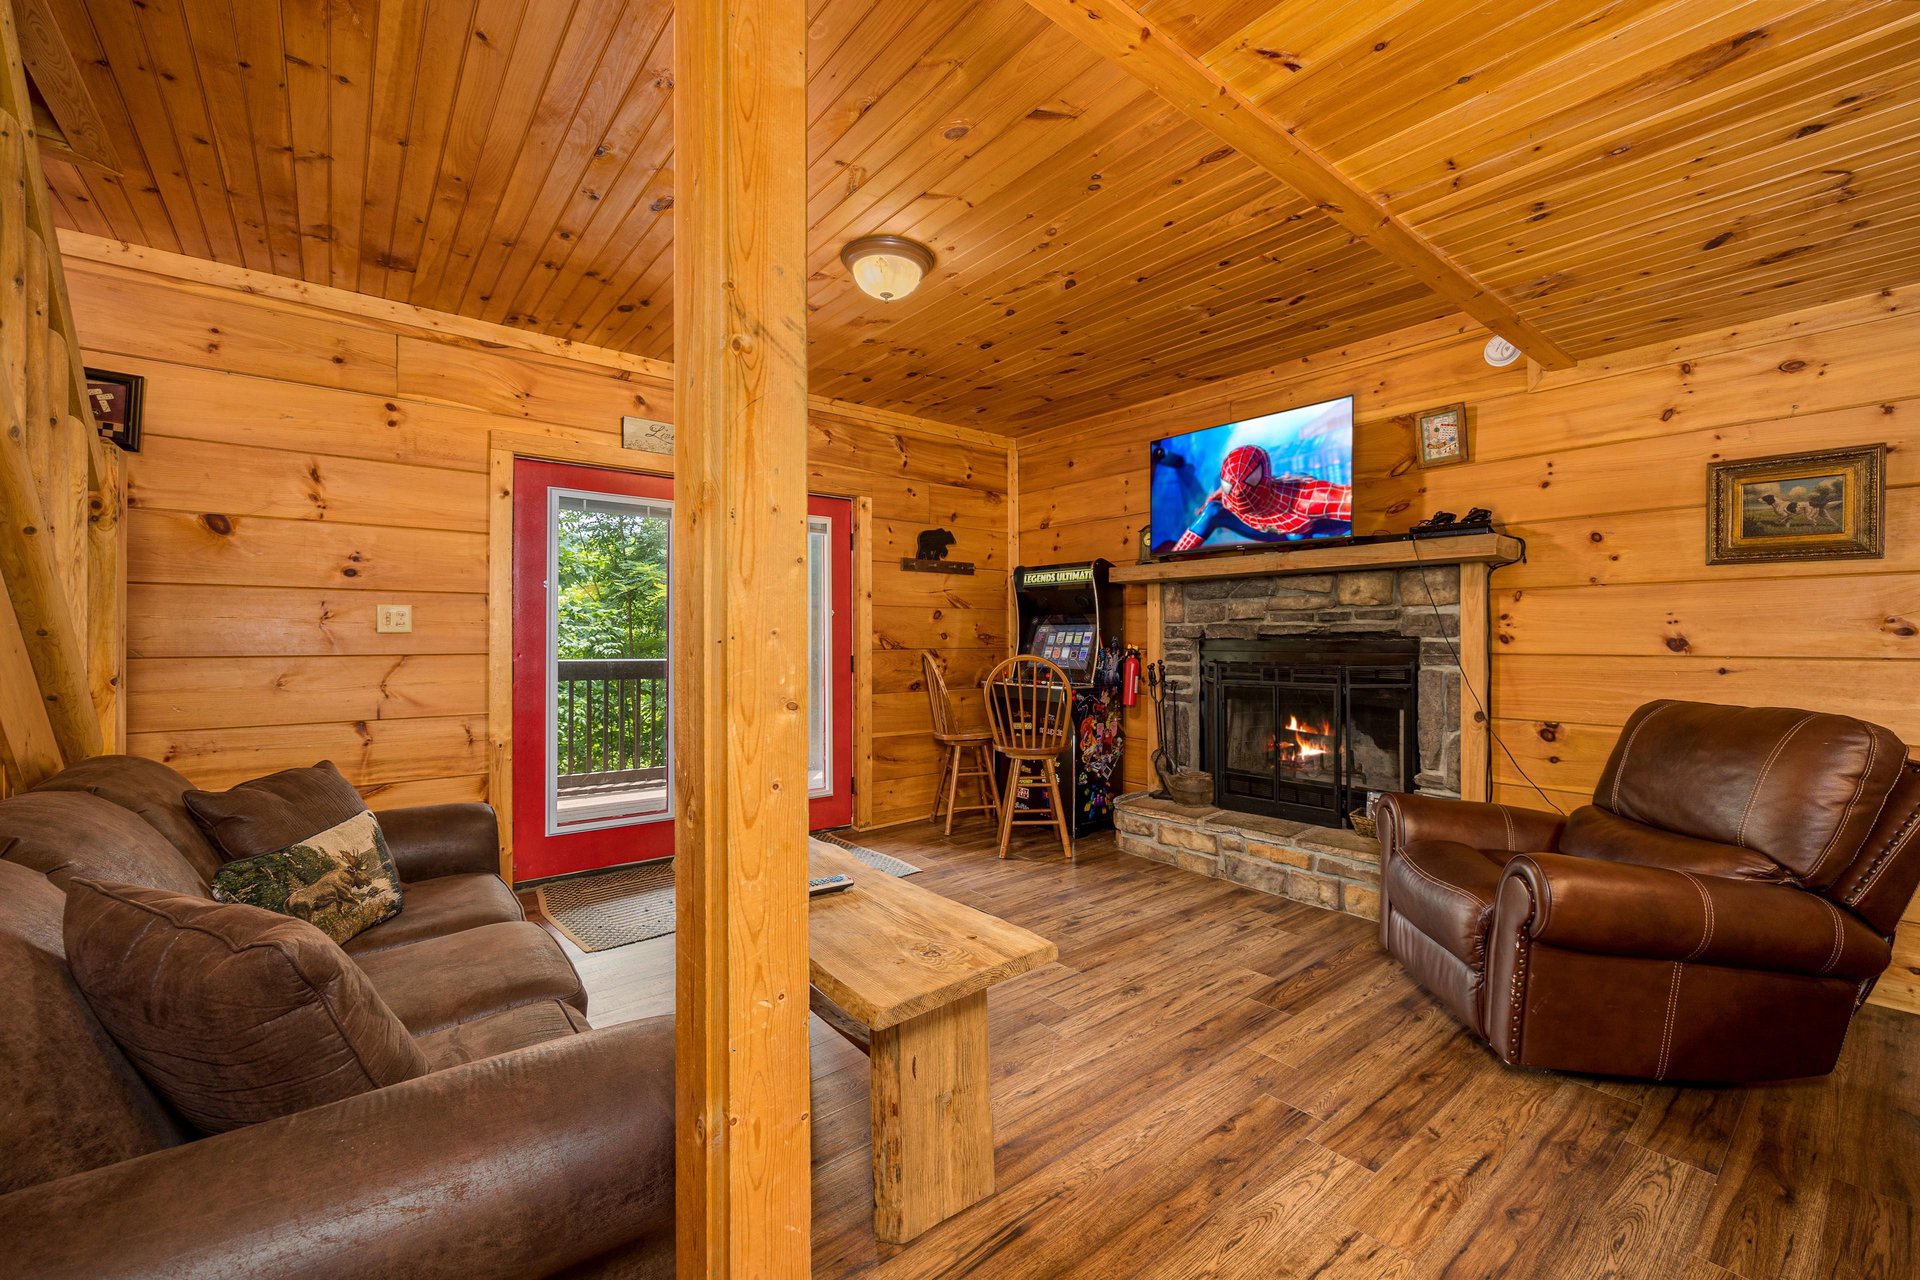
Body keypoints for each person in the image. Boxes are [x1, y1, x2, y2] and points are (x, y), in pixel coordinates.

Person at [1172, 444, 1351, 550]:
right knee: (1212, 511)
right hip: (1272, 529)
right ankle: (1174, 556)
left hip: (1300, 531)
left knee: (1296, 536)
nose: (1236, 495)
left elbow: (1349, 501)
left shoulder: (1306, 499)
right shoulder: (1229, 495)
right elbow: (1235, 483)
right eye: (1230, 487)